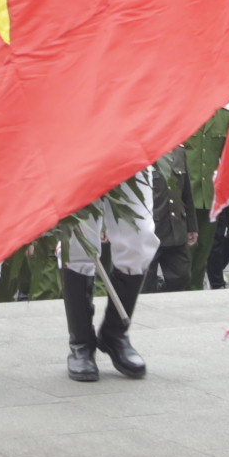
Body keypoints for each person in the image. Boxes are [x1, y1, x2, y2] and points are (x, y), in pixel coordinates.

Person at [58, 162, 160, 385]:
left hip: (129, 147)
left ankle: (114, 334)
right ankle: (81, 343)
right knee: (78, 241)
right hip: (77, 148)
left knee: (140, 237)